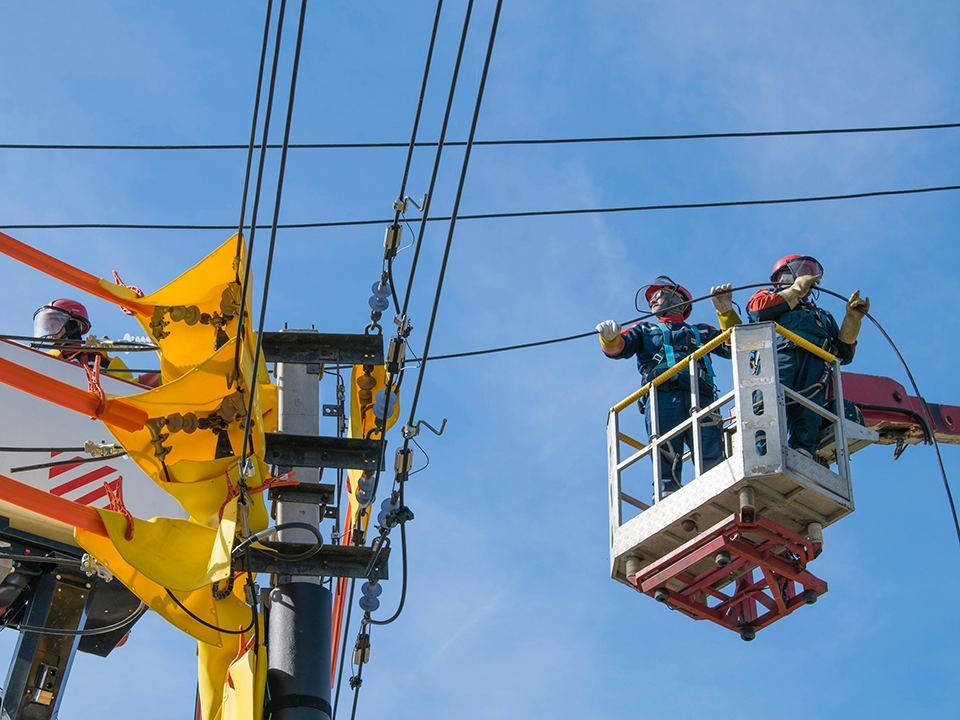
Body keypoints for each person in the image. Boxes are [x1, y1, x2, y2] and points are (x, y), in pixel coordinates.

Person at [720, 255, 869, 459]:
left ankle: (804, 451)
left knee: (809, 409)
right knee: (769, 399)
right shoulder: (766, 297)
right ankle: (764, 448)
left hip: (816, 363)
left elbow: (843, 353)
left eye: (810, 270)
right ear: (782, 276)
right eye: (801, 269)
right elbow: (758, 313)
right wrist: (796, 291)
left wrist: (852, 319)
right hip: (779, 355)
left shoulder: (821, 316)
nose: (807, 274)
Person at [597, 276, 730, 498]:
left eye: (657, 295)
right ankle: (668, 492)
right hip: (663, 396)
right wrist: (609, 339)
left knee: (709, 444)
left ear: (678, 298)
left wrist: (726, 314)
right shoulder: (646, 330)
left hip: (701, 394)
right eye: (650, 300)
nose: (652, 302)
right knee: (665, 447)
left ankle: (718, 487)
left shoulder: (701, 332)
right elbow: (620, 347)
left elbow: (734, 345)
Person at [32, 298, 159, 386]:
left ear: (73, 324)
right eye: (48, 327)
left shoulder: (104, 363)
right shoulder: (46, 359)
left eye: (55, 325)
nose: (50, 332)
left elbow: (129, 390)